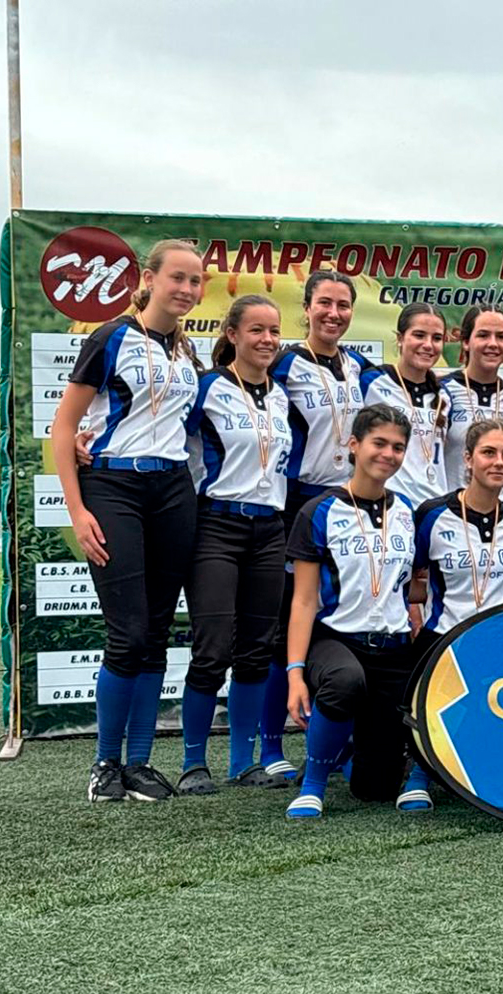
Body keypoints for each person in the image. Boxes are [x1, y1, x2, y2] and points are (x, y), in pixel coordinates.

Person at [52, 239, 204, 803]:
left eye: (195, 281)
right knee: (129, 633)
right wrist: (77, 510)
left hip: (172, 490)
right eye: (177, 278)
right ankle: (104, 764)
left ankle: (139, 763)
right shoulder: (110, 337)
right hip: (114, 486)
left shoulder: (188, 351)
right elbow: (64, 426)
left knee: (157, 633)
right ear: (149, 278)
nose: (186, 289)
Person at [177, 295, 294, 793]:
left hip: (269, 529)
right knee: (211, 648)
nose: (267, 340)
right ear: (232, 334)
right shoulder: (207, 387)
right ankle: (193, 764)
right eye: (256, 330)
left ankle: (243, 762)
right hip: (217, 525)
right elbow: (160, 433)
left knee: (256, 650)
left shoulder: (282, 396)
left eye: (274, 331)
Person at [259, 270, 371, 779]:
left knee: (339, 618)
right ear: (306, 308)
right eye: (324, 303)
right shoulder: (284, 363)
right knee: (286, 625)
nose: (334, 313)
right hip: (297, 501)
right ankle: (269, 747)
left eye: (343, 305)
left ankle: (337, 743)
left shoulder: (359, 367)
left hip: (347, 504)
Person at [282, 405, 421, 819]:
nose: (388, 454)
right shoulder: (319, 511)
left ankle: (347, 751)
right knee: (344, 682)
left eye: (398, 447)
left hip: (392, 648)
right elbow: (303, 600)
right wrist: (294, 674)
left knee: (374, 789)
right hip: (337, 640)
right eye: (379, 443)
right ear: (354, 445)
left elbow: (409, 585)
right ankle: (313, 784)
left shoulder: (407, 511)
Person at [403, 419, 503, 809]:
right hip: (444, 638)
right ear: (468, 459)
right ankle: (419, 773)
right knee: (431, 711)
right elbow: (410, 574)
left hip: (501, 640)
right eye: (489, 453)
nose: (499, 462)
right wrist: (413, 616)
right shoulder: (433, 514)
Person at [361, 303, 450, 508]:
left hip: (434, 506)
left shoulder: (445, 394)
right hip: (389, 505)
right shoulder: (371, 382)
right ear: (400, 338)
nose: (428, 345)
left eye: (436, 338)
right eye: (419, 335)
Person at [441, 305, 503, 503]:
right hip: (453, 510)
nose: (493, 344)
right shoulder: (442, 391)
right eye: (483, 335)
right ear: (466, 342)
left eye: (501, 337)